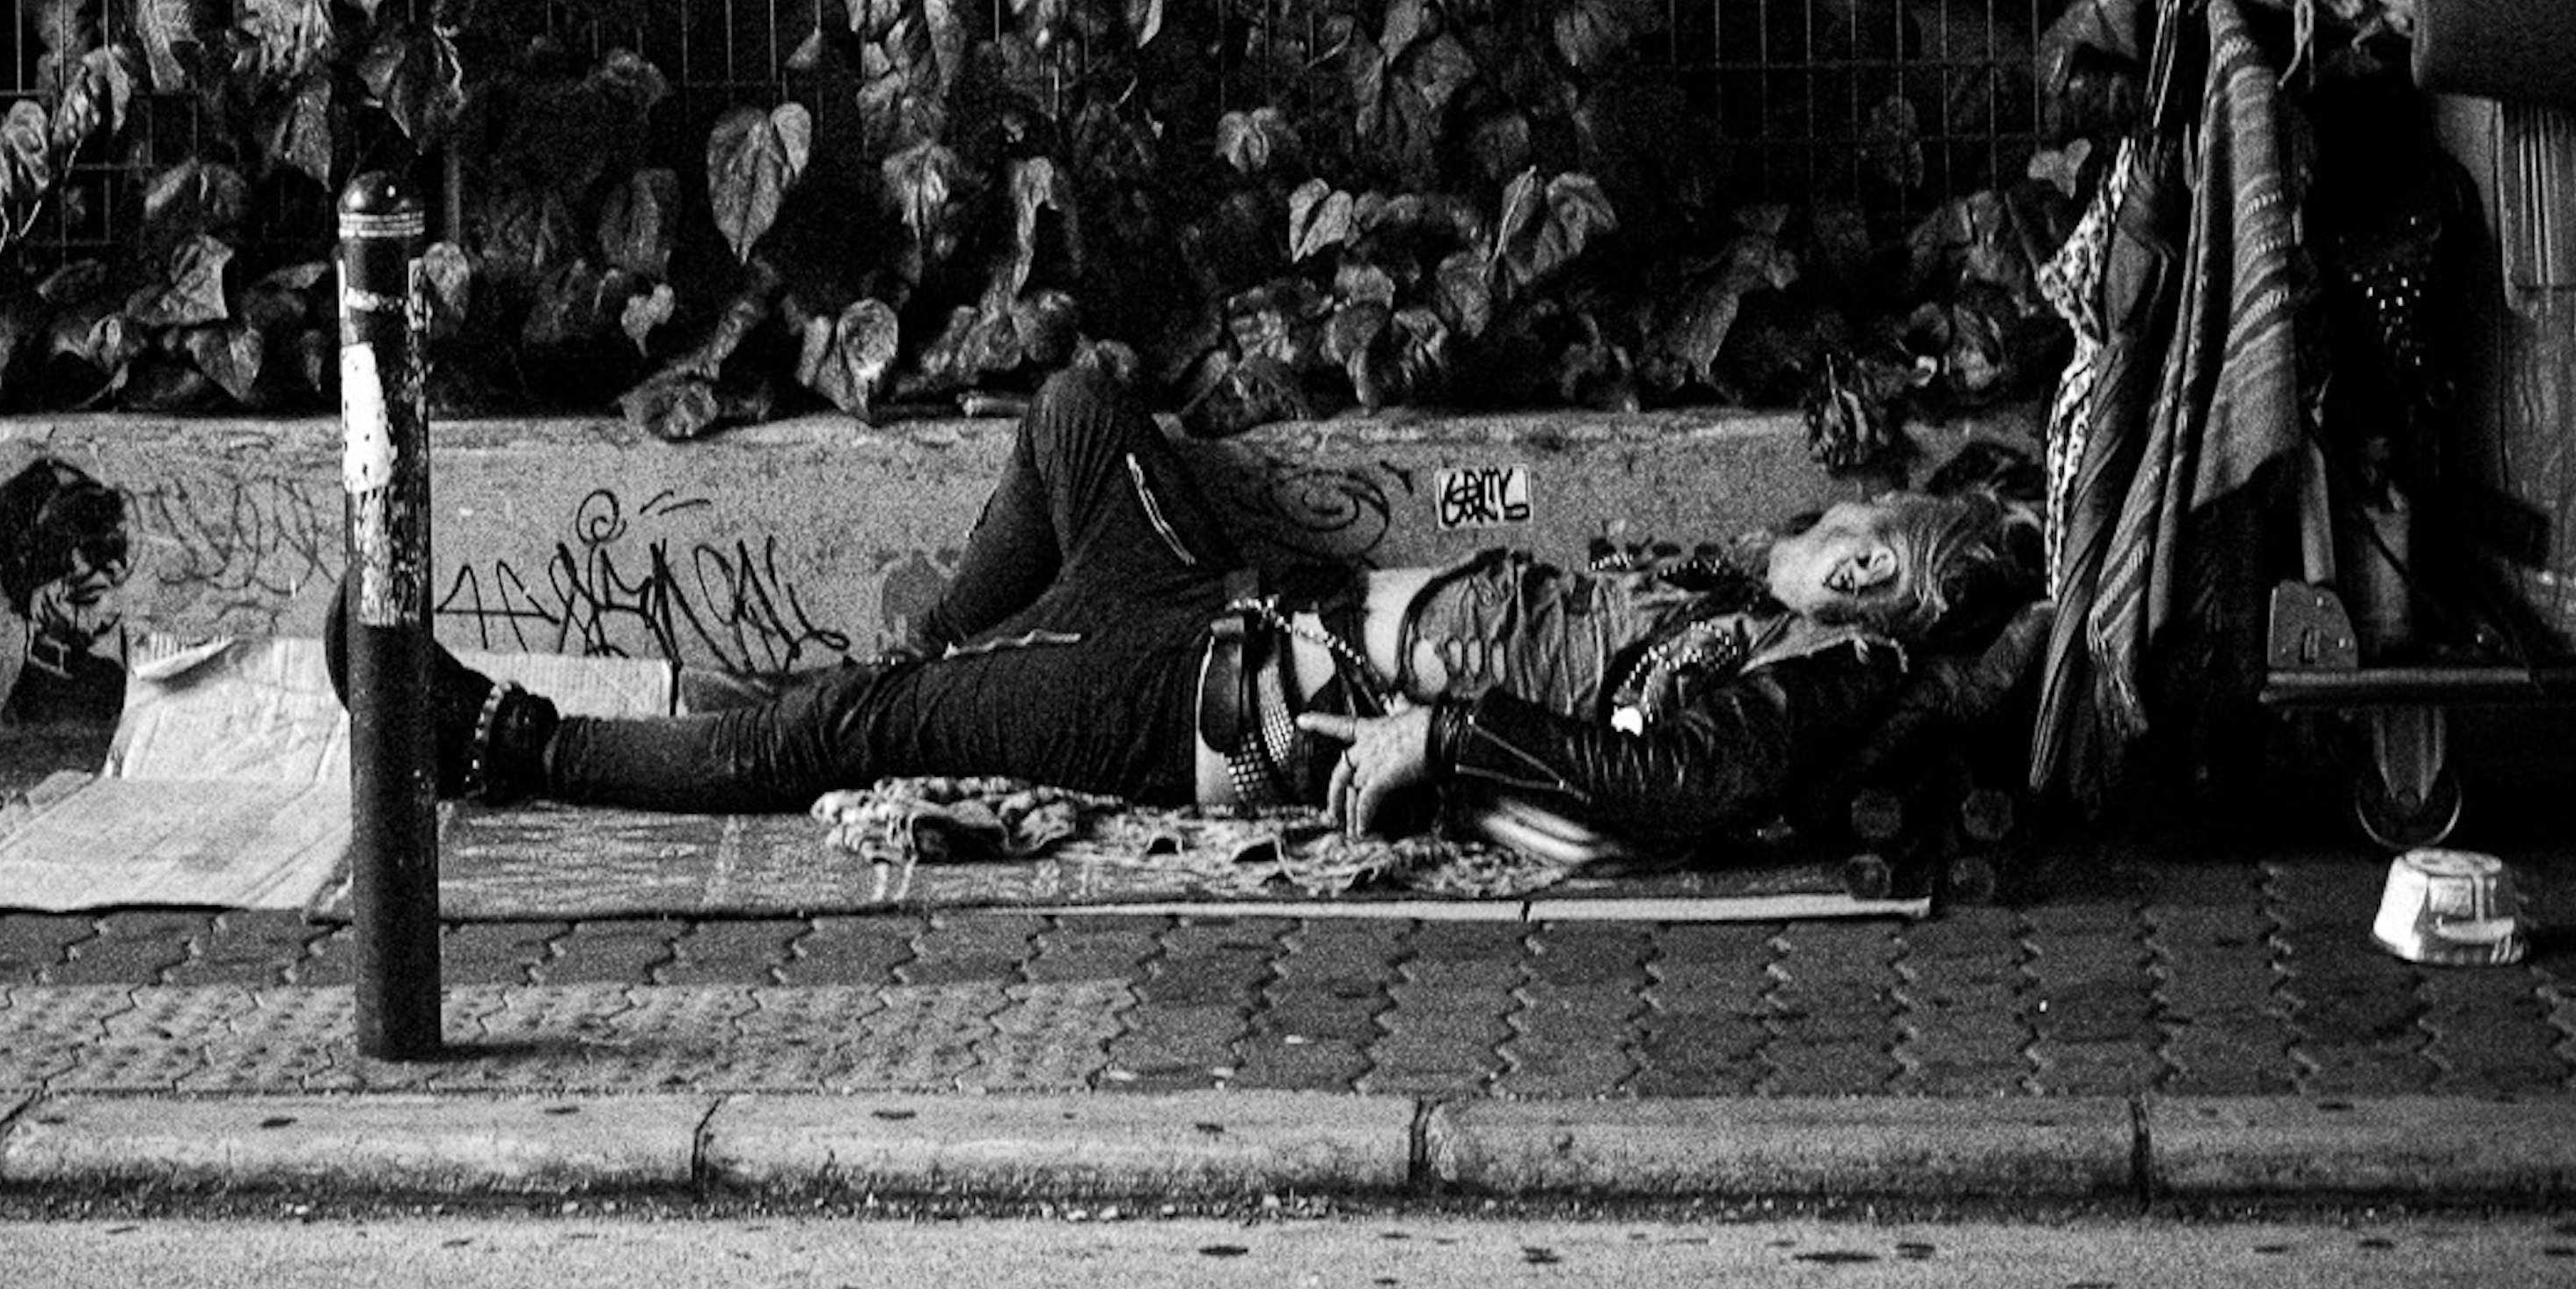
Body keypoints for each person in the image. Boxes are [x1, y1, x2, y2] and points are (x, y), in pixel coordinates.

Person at [333, 352, 2042, 862]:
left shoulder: (1813, 670)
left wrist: (1445, 731)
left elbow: (1689, 786)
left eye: (1859, 535)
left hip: (1201, 705)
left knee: (833, 735)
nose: (1826, 528)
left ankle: (505, 741)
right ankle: (942, 662)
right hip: (1217, 603)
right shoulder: (1734, 605)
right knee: (1079, 408)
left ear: (1889, 579)